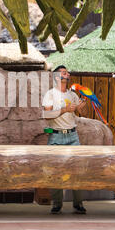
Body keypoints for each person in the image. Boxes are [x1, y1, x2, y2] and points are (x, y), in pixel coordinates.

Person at [42, 65, 88, 214]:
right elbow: (46, 115)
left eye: (68, 72)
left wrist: (82, 106)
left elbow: (82, 113)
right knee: (55, 171)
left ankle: (78, 203)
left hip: (73, 136)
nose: (67, 74)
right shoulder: (50, 94)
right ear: (57, 77)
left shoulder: (72, 95)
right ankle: (57, 204)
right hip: (55, 136)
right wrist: (64, 110)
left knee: (78, 171)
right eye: (64, 72)